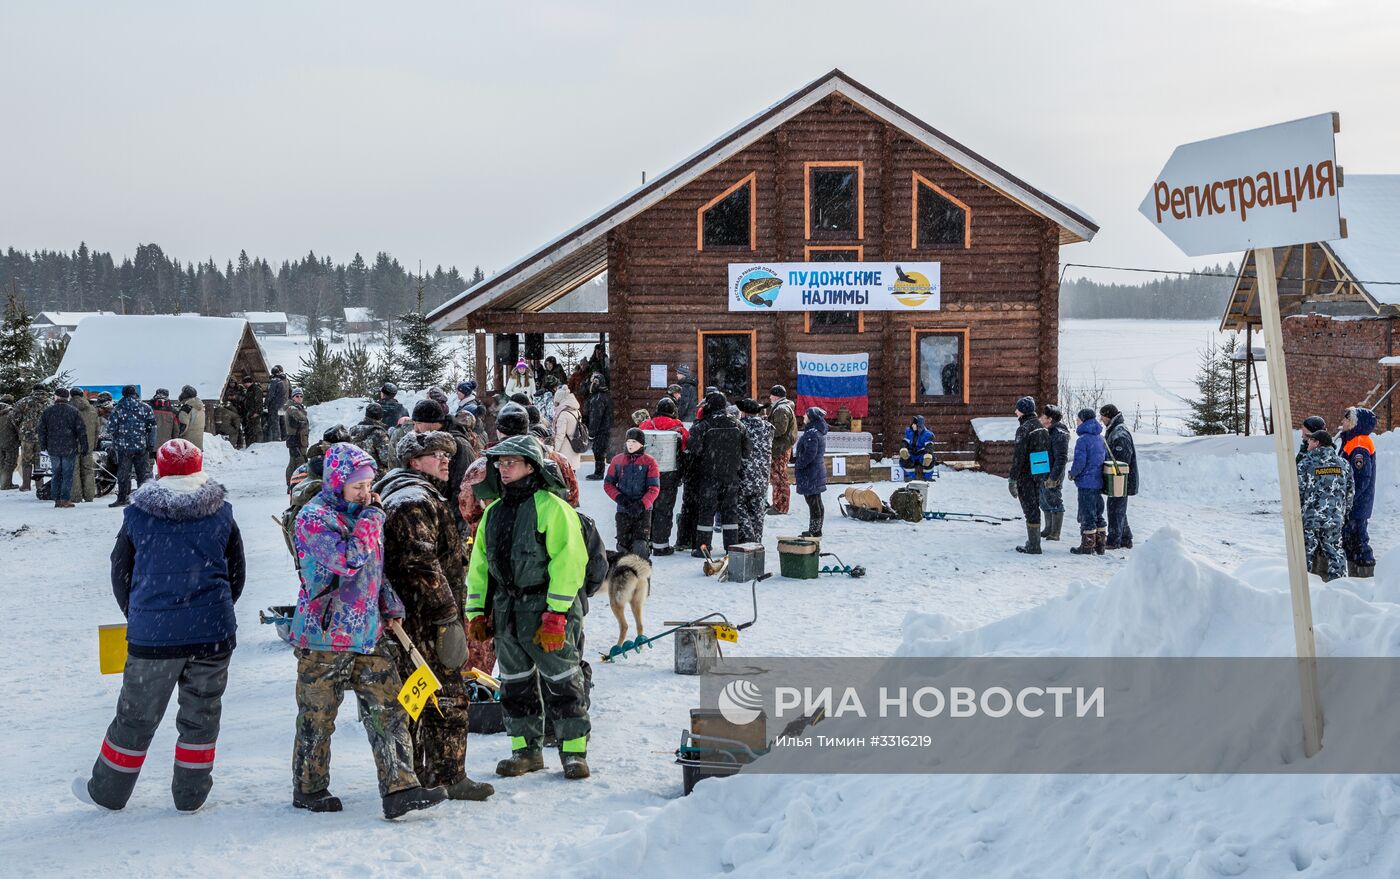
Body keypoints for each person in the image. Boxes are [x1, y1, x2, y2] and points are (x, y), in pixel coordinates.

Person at [76, 439, 244, 813]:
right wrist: (214, 611)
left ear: (159, 469)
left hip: (153, 637)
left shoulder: (138, 514)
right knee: (201, 717)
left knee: (136, 716)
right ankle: (190, 796)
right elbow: (237, 572)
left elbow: (121, 571)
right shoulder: (222, 512)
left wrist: (139, 615)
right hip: (213, 635)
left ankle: (108, 792)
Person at [289, 442, 449, 818]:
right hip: (324, 636)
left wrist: (389, 604)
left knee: (389, 709)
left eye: (369, 484)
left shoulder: (364, 514)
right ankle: (309, 787)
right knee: (318, 715)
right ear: (336, 482)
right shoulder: (314, 519)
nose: (366, 493)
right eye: (357, 486)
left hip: (369, 632)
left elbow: (372, 569)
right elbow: (349, 560)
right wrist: (372, 519)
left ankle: (400, 788)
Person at [376, 431, 496, 802]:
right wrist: (446, 618)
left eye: (447, 454)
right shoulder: (414, 501)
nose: (445, 460)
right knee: (448, 697)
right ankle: (448, 775)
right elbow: (421, 565)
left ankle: (421, 774)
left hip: (407, 618)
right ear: (414, 461)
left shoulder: (404, 493)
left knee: (415, 698)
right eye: (435, 454)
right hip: (424, 621)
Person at [465, 435, 592, 780]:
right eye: (500, 464)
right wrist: (477, 611)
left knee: (563, 680)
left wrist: (556, 613)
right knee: (515, 683)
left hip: (545, 608)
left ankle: (574, 752)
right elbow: (479, 565)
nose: (504, 470)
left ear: (531, 466)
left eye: (511, 463)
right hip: (507, 610)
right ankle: (525, 751)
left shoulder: (552, 508)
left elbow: (570, 562)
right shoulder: (492, 512)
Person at [686, 391, 750, 554]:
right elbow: (747, 451)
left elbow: (693, 449)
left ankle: (703, 548)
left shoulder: (702, 425)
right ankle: (731, 547)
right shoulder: (738, 424)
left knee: (706, 511)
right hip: (732, 475)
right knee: (730, 511)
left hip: (709, 475)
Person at [1298, 429, 1354, 582]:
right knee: (1335, 552)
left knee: (1305, 555)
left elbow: (1298, 493)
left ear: (1317, 443)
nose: (1307, 442)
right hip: (1334, 519)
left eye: (1310, 440)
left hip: (1310, 519)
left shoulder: (1305, 464)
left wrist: (1298, 514)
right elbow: (1350, 493)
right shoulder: (1344, 464)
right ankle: (1340, 587)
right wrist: (1344, 514)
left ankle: (1305, 588)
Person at [639, 398, 689, 555]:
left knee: (647, 506)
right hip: (669, 474)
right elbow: (686, 447)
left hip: (646, 473)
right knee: (664, 509)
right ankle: (661, 545)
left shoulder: (645, 425)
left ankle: (645, 541)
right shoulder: (678, 427)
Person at [604, 428, 661, 557]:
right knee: (622, 545)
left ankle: (642, 574)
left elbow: (654, 488)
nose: (630, 444)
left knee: (640, 546)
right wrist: (620, 498)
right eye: (628, 441)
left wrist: (641, 504)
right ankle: (624, 574)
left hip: (643, 511)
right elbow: (608, 484)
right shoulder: (617, 460)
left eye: (634, 441)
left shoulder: (650, 462)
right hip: (623, 509)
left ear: (641, 444)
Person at [1339, 406, 1377, 576]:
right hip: (1355, 504)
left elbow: (1361, 478)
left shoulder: (1359, 444)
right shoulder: (1352, 440)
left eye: (1347, 419)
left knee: (1359, 541)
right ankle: (1356, 577)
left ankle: (1364, 578)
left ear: (1355, 423)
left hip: (1357, 504)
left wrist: (1349, 499)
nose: (1343, 421)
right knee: (1351, 541)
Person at [1009, 396, 1050, 554]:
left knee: (1030, 509)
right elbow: (1046, 451)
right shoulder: (1040, 426)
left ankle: (1033, 544)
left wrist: (1013, 478)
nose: (1015, 412)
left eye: (1017, 409)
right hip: (1038, 474)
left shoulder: (1024, 429)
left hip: (1026, 475)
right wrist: (1042, 475)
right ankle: (1034, 542)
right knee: (1035, 507)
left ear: (1023, 411)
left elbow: (1018, 456)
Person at [39, 387, 88, 508]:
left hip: (53, 447)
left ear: (56, 397)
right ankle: (65, 499)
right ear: (67, 397)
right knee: (67, 474)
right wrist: (84, 446)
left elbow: (41, 430)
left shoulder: (48, 411)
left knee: (56, 474)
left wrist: (43, 445)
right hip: (69, 447)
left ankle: (56, 499)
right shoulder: (73, 411)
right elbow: (81, 430)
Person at [1068, 408, 1107, 556]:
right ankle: (1100, 545)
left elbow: (1080, 462)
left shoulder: (1083, 440)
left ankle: (1087, 546)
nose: (1076, 422)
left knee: (1087, 514)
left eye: (1078, 419)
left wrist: (1072, 474)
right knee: (1098, 513)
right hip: (1098, 481)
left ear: (1083, 420)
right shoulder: (1100, 438)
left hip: (1086, 482)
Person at [109, 385, 156, 507]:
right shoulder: (146, 408)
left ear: (123, 394)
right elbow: (152, 427)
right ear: (136, 394)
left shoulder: (117, 408)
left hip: (123, 447)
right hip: (141, 445)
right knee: (143, 474)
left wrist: (118, 436)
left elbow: (111, 428)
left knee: (124, 473)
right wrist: (151, 444)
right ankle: (144, 499)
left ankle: (123, 498)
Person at [1100, 404, 1138, 551]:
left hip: (1120, 478)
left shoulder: (1119, 433)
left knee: (1115, 508)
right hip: (1119, 479)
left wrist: (1112, 470)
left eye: (1102, 416)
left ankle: (1114, 540)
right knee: (1118, 508)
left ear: (1108, 416)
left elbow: (1122, 461)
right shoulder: (1115, 430)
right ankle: (1126, 538)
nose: (1101, 419)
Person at [735, 399, 774, 544]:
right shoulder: (768, 427)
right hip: (763, 477)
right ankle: (757, 543)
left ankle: (748, 541)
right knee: (758, 512)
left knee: (739, 507)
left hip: (744, 475)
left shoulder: (740, 427)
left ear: (743, 412)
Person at [791, 407, 828, 538]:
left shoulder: (812, 433)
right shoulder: (816, 431)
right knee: (816, 501)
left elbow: (810, 454)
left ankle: (814, 531)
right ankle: (816, 529)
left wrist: (798, 464)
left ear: (811, 417)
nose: (803, 416)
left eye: (806, 414)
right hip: (815, 471)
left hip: (811, 472)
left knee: (813, 503)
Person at [1038, 404, 1070, 542]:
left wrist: (1054, 477)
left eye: (1043, 416)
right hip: (1043, 470)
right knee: (1044, 499)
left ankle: (1055, 532)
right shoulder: (1046, 431)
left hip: (1053, 473)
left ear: (1049, 419)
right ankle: (1048, 528)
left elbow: (1061, 458)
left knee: (1054, 499)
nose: (1040, 418)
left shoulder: (1059, 434)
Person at [11, 383, 49, 493]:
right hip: (43, 436)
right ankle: (39, 485)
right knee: (39, 460)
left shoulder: (24, 401)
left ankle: (26, 484)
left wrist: (21, 427)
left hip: (27, 435)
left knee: (26, 460)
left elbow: (14, 416)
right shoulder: (49, 402)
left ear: (33, 390)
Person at [766, 385, 797, 515]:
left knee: (779, 477)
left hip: (780, 448)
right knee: (777, 477)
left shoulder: (781, 409)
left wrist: (766, 429)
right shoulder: (783, 407)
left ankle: (781, 507)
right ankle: (778, 504)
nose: (769, 397)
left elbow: (779, 430)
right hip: (782, 447)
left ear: (776, 396)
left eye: (771, 395)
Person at [69, 388, 100, 503]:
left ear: (71, 396)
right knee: (88, 470)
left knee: (74, 470)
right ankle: (89, 496)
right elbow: (97, 429)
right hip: (88, 444)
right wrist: (94, 444)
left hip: (71, 445)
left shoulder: (67, 408)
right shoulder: (92, 410)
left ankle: (76, 496)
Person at [350, 402, 395, 472]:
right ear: (380, 417)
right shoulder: (379, 433)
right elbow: (387, 460)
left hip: (356, 474)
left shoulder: (353, 430)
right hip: (374, 475)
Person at [584, 373, 613, 480]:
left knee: (599, 450)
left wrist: (591, 433)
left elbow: (595, 417)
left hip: (601, 430)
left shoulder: (598, 398)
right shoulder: (604, 395)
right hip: (605, 428)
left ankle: (599, 473)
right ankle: (599, 471)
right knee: (600, 450)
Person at [552, 384, 584, 471]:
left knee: (566, 479)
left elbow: (560, 435)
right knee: (572, 475)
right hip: (574, 447)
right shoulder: (576, 411)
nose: (556, 405)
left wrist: (554, 451)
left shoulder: (563, 414)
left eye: (557, 402)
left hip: (565, 451)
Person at [284, 388, 310, 485]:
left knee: (296, 462)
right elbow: (299, 422)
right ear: (293, 397)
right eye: (297, 396)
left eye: (301, 396)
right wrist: (302, 423)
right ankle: (293, 483)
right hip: (295, 439)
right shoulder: (292, 409)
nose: (299, 398)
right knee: (297, 462)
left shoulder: (299, 408)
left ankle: (293, 482)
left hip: (302, 440)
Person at [899, 414, 936, 482]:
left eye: (914, 424)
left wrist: (928, 453)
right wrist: (903, 448)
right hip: (911, 453)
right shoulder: (909, 432)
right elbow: (905, 442)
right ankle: (910, 476)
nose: (912, 425)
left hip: (921, 454)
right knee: (905, 459)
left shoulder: (927, 434)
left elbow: (929, 446)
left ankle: (927, 477)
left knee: (930, 458)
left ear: (919, 425)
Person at [175, 385, 206, 451]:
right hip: (198, 446)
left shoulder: (186, 409)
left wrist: (175, 437)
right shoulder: (200, 408)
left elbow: (183, 426)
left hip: (187, 446)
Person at [265, 365, 291, 442]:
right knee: (283, 422)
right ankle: (285, 438)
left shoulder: (275, 381)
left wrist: (266, 403)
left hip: (274, 405)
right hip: (284, 405)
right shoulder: (286, 381)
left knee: (275, 423)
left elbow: (270, 394)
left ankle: (276, 439)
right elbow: (290, 392)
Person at [0, 394, 17, 490]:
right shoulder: (11, 413)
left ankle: (2, 482)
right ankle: (6, 484)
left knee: (1, 462)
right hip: (9, 440)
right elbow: (16, 426)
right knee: (10, 462)